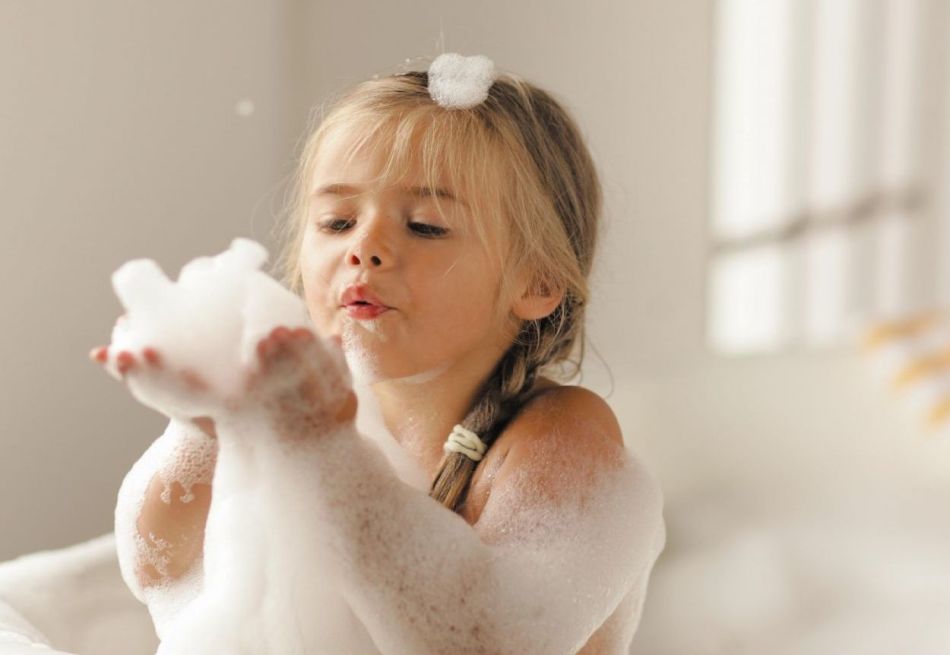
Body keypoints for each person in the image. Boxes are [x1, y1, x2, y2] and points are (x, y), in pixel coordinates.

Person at [91, 53, 666, 654]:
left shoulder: (557, 436)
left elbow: (489, 641)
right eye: (337, 222)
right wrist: (210, 423)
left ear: (538, 282)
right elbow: (156, 566)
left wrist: (323, 447)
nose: (365, 248)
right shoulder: (299, 402)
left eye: (425, 226)